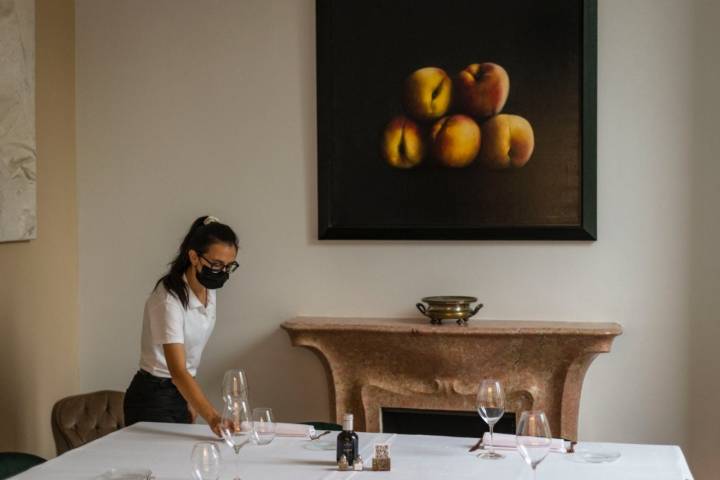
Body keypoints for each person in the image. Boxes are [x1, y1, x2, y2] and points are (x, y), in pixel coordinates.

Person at [123, 215, 239, 436]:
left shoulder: (209, 288)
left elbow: (186, 365)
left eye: (228, 266)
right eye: (216, 264)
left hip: (180, 389)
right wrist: (213, 417)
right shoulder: (168, 300)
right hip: (153, 397)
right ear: (194, 257)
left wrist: (191, 399)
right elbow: (177, 370)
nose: (222, 272)